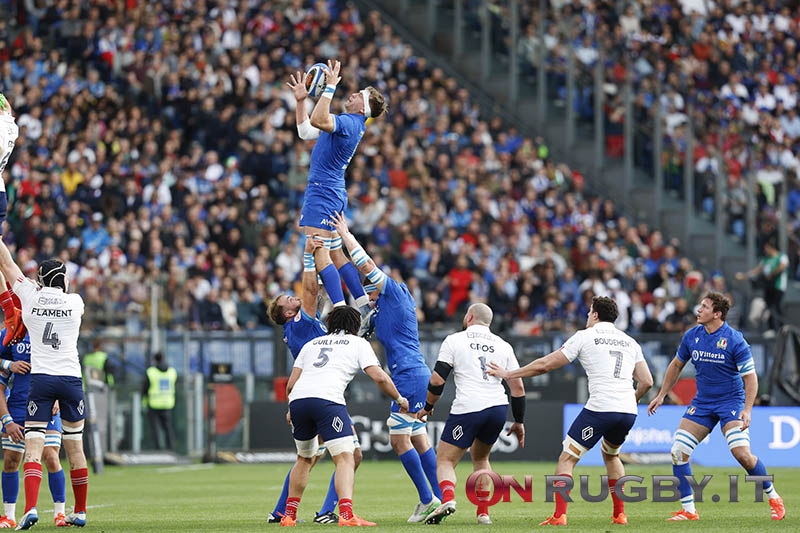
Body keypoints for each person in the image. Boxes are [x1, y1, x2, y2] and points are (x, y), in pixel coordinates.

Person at [489, 296, 654, 526]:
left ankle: (559, 516)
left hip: (601, 408)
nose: (587, 316)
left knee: (567, 458)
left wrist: (509, 374)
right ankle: (620, 514)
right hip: (627, 411)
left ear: (595, 315)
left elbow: (545, 365)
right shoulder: (630, 342)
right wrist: (631, 400)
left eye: (589, 312)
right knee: (612, 455)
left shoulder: (585, 336)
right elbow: (647, 381)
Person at [330, 212, 442, 523]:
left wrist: (345, 234)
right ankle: (443, 497)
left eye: (370, 289)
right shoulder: (380, 309)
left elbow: (364, 265)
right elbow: (348, 273)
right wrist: (329, 246)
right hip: (414, 373)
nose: (367, 294)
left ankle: (427, 500)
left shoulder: (395, 292)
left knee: (398, 439)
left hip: (407, 375)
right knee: (418, 435)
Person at [648, 292, 785, 521]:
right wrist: (662, 394)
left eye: (704, 307)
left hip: (731, 402)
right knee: (678, 451)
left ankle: (773, 496)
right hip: (703, 403)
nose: (698, 310)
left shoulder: (734, 339)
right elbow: (676, 365)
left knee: (742, 455)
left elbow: (750, 378)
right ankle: (689, 511)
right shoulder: (692, 335)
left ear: (717, 314)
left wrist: (747, 409)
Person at [281, 305, 409, 527]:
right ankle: (347, 515)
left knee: (304, 458)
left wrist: (291, 407)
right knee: (345, 457)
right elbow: (379, 377)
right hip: (328, 401)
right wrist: (399, 399)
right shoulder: (359, 343)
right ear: (355, 325)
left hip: (300, 401)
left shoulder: (311, 344)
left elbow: (291, 384)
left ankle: (289, 516)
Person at [267, 236, 362, 525]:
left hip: (306, 395)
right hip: (322, 395)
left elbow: (315, 289)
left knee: (309, 457)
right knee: (348, 455)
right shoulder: (300, 323)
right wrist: (309, 255)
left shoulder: (302, 329)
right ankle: (327, 512)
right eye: (288, 299)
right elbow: (310, 289)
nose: (293, 297)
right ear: (287, 312)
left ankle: (282, 511)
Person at [285, 60, 387, 330]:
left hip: (322, 192)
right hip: (331, 191)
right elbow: (306, 130)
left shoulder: (352, 123)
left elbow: (318, 119)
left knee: (319, 251)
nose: (351, 94)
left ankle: (342, 312)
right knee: (336, 254)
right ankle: (364, 305)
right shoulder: (348, 123)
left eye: (358, 95)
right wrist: (300, 102)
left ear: (363, 108)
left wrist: (329, 86)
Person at [0, 244, 89, 529]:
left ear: (39, 280)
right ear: (63, 281)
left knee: (34, 448)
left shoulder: (30, 298)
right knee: (75, 448)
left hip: (42, 380)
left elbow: (7, 264)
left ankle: (31, 508)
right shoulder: (76, 302)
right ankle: (81, 511)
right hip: (72, 379)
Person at [416, 303, 526, 526]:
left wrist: (428, 406)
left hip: (469, 407)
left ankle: (447, 499)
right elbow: (518, 388)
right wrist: (519, 421)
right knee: (482, 458)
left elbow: (438, 379)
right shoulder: (504, 345)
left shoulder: (454, 340)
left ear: (469, 317)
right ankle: (483, 513)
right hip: (498, 407)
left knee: (445, 459)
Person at [0, 326, 68, 528]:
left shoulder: (54, 328)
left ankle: (60, 514)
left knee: (50, 456)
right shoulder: (10, 332)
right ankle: (9, 516)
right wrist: (7, 420)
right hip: (18, 408)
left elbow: (67, 365)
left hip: (47, 402)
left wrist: (59, 396)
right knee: (11, 460)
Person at [735, 240, 788, 333]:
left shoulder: (782, 256)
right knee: (768, 306)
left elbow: (782, 266)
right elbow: (757, 270)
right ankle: (771, 328)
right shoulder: (766, 260)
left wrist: (771, 274)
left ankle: (782, 327)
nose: (765, 250)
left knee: (776, 306)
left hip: (778, 286)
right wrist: (744, 276)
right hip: (768, 287)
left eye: (766, 248)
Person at [142, 352, 177, 451]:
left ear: (154, 360)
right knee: (168, 428)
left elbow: (145, 388)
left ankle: (158, 449)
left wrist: (144, 402)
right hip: (168, 403)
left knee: (155, 429)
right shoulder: (172, 371)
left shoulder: (150, 372)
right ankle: (171, 449)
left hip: (154, 403)